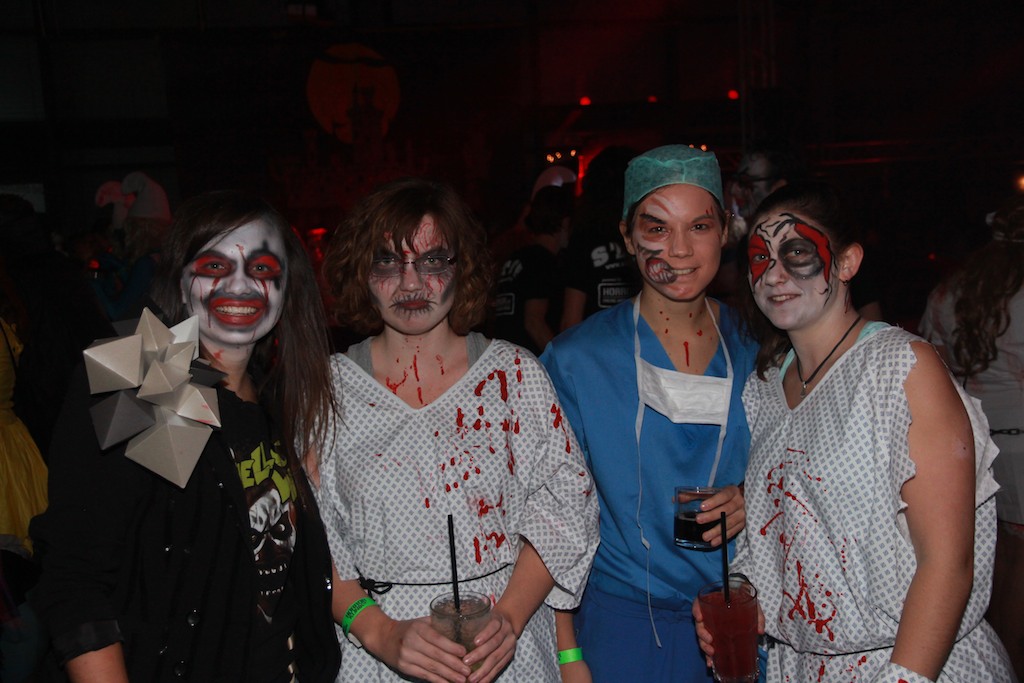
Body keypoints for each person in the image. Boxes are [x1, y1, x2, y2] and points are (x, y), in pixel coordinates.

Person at [698, 181, 1014, 681]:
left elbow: (947, 567)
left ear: (847, 262)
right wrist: (742, 594)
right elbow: (787, 536)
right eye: (759, 258)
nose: (774, 275)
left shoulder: (900, 369)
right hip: (803, 666)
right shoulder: (765, 388)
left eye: (796, 252)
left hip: (911, 662)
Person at [30, 191, 340, 682]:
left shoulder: (278, 399)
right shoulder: (154, 380)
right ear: (180, 277)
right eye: (215, 265)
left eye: (261, 268)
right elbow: (77, 579)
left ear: (287, 286)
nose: (239, 285)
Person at [314, 177, 599, 683]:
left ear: (461, 268)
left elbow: (565, 510)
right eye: (388, 262)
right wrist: (381, 632)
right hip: (378, 657)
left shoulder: (514, 376)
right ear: (361, 271)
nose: (411, 285)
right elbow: (313, 539)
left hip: (506, 648)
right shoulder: (327, 392)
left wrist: (509, 618)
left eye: (432, 261)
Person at [541, 145, 757, 682]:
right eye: (657, 227)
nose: (679, 249)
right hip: (622, 626)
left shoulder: (762, 348)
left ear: (724, 231)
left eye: (699, 226)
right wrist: (566, 653)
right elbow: (546, 516)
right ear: (627, 236)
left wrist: (753, 496)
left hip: (738, 616)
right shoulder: (578, 361)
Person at [919, 193, 1024, 679]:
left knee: (992, 559)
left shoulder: (951, 290)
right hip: (1021, 445)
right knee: (1017, 565)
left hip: (976, 445)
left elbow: (933, 364)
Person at [559, 146, 640, 331]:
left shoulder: (584, 236)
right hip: (634, 341)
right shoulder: (643, 232)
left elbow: (570, 320)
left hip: (608, 341)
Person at [494, 184, 573, 354]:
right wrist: (562, 362)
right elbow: (534, 323)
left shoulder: (517, 258)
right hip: (527, 362)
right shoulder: (542, 262)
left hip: (505, 357)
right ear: (565, 222)